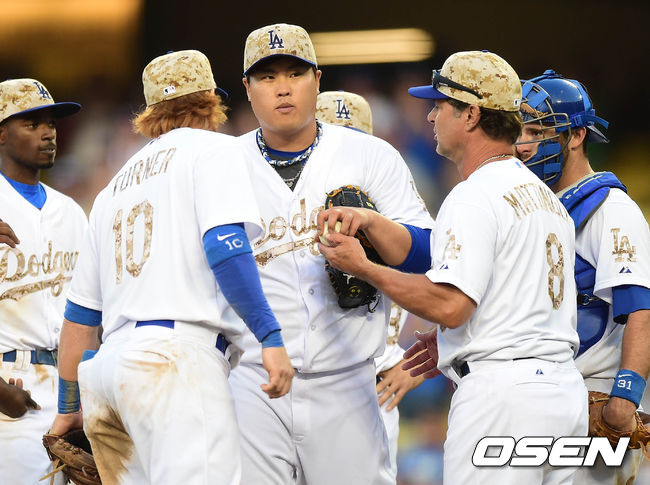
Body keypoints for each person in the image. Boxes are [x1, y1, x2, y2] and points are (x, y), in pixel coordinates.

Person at [318, 50, 588, 485]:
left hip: (503, 400)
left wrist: (364, 266)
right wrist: (451, 340)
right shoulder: (544, 197)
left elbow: (451, 306)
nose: (430, 117)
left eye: (440, 105)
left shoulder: (474, 195)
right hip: (561, 395)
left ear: (471, 115)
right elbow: (502, 305)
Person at [48, 50, 294, 485]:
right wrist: (270, 337)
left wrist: (69, 407)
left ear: (149, 113)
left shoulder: (111, 188)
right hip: (175, 365)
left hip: (107, 375)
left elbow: (81, 318)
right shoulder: (214, 149)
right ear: (211, 101)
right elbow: (224, 246)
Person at [228, 23, 434, 485]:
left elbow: (425, 253)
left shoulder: (370, 155)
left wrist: (376, 228)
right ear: (247, 88)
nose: (282, 87)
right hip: (253, 381)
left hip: (348, 380)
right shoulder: (222, 165)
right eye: (266, 76)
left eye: (295, 72)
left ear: (317, 80)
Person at [516, 70, 650, 484]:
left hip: (599, 392)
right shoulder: (532, 205)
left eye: (537, 130)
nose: (524, 144)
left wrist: (624, 401)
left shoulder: (611, 209)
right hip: (548, 394)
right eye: (519, 130)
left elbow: (642, 312)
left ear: (575, 136)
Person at [316, 90, 425, 481]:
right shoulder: (290, 212)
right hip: (306, 379)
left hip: (375, 382)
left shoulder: (396, 214)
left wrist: (417, 365)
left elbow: (453, 279)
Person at [0, 78, 85, 485]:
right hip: (11, 386)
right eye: (31, 123)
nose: (48, 132)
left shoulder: (71, 212)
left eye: (50, 122)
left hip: (71, 390)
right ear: (1, 132)